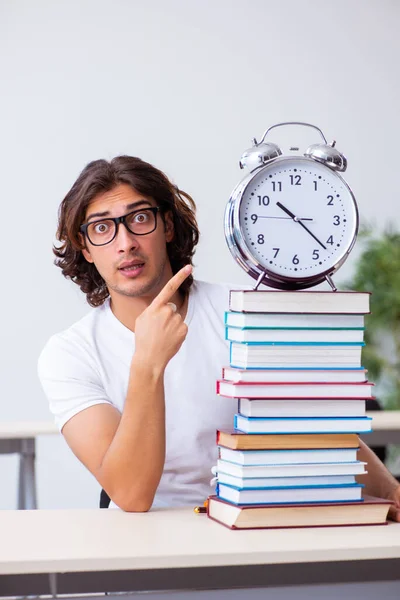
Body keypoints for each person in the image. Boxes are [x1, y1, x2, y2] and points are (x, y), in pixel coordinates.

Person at [38, 155, 400, 519]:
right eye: (102, 228)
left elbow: (315, 433)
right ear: (85, 248)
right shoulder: (69, 354)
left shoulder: (247, 311)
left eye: (140, 218)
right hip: (148, 539)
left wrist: (391, 492)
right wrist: (148, 362)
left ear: (167, 225)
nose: (126, 242)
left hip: (257, 523)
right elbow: (132, 495)